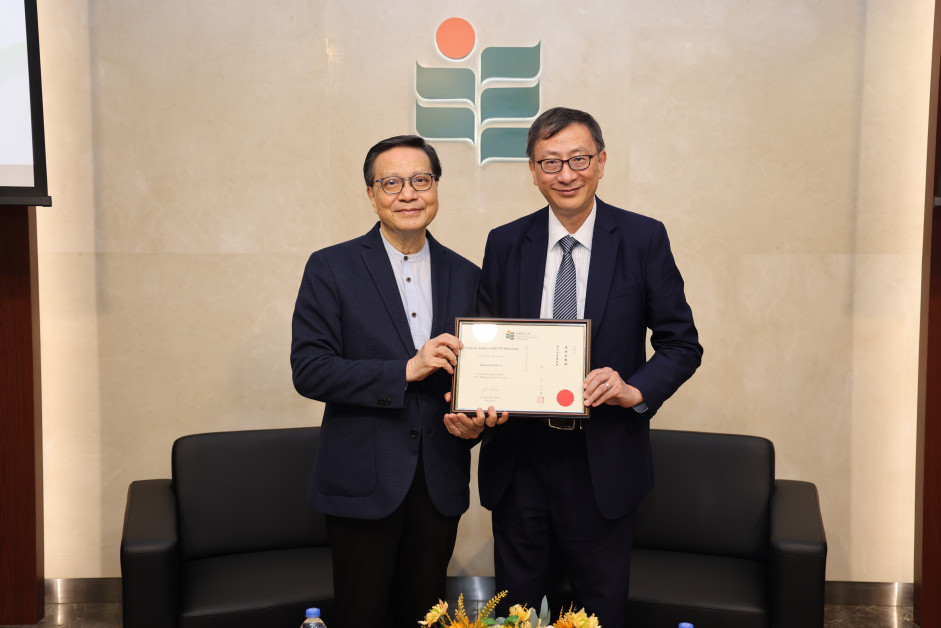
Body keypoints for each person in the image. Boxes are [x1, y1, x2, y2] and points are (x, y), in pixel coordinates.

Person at [444, 108, 703, 626]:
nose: (566, 174)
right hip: (519, 460)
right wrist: (474, 397)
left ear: (602, 161)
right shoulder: (505, 241)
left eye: (579, 159)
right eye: (550, 162)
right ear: (533, 171)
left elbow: (682, 344)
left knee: (599, 610)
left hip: (602, 458)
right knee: (517, 612)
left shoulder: (642, 238)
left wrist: (635, 388)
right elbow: (489, 341)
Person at [291, 135, 487, 628]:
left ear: (436, 188)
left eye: (420, 180)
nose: (408, 193)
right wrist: (404, 369)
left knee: (426, 616)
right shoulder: (331, 267)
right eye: (391, 182)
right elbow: (309, 368)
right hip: (362, 480)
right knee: (363, 614)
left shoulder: (468, 275)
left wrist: (480, 421)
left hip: (439, 479)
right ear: (371, 194)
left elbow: (482, 377)